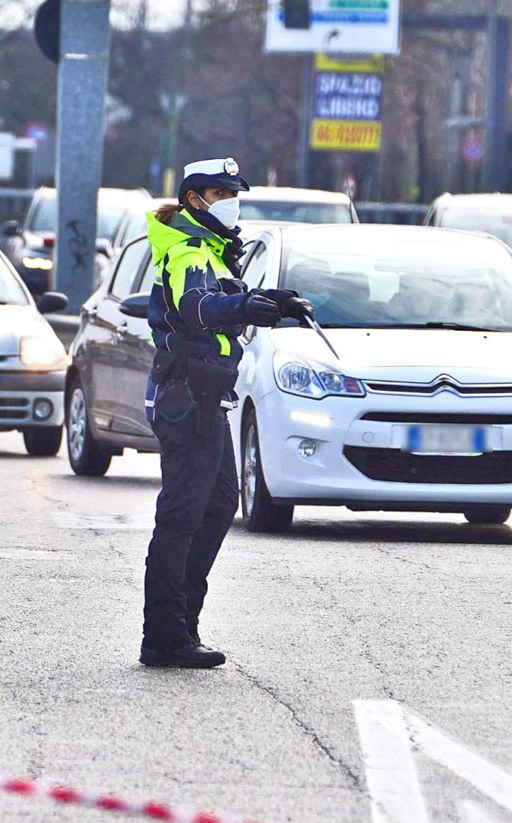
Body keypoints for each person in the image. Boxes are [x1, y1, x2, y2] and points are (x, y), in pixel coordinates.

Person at [140, 157, 311, 669]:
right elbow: (197, 307)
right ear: (194, 199)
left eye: (234, 194)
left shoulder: (212, 252)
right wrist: (242, 308)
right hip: (187, 395)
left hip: (206, 396)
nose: (231, 203)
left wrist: (269, 301)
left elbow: (223, 299)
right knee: (182, 517)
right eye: (221, 194)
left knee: (216, 508)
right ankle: (164, 637)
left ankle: (181, 625)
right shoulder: (189, 251)